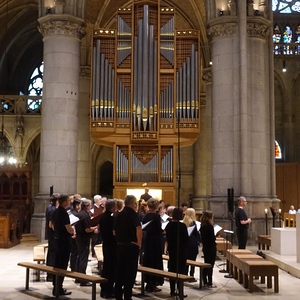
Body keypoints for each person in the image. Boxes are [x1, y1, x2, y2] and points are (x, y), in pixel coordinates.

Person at [113, 195, 142, 300]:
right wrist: (139, 242)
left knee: (120, 271)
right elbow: (138, 228)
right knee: (130, 273)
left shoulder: (118, 215)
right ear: (133, 203)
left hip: (120, 246)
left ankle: (118, 296)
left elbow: (114, 231)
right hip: (131, 246)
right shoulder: (133, 214)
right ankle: (127, 297)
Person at [51, 194, 74, 296]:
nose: (69, 202)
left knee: (57, 263)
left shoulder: (55, 211)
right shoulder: (63, 212)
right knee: (62, 265)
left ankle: (56, 286)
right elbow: (68, 228)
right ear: (64, 202)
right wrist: (72, 231)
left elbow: (52, 225)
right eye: (68, 201)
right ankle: (58, 288)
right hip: (64, 241)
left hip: (57, 239)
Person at [165, 207, 188, 297]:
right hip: (181, 250)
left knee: (172, 269)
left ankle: (172, 290)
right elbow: (186, 239)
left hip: (172, 249)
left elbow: (167, 237)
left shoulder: (169, 225)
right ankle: (180, 290)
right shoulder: (182, 226)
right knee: (181, 270)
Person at [142, 198, 164, 293]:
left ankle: (148, 282)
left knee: (148, 261)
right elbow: (158, 229)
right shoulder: (156, 216)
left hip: (148, 240)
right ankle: (153, 283)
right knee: (155, 262)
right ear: (157, 206)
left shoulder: (146, 216)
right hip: (155, 241)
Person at [75, 198, 98, 286]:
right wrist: (95, 227)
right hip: (84, 238)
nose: (91, 206)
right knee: (83, 258)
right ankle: (83, 279)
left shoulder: (79, 213)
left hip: (79, 237)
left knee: (79, 256)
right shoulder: (85, 215)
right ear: (87, 206)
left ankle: (78, 277)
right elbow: (87, 229)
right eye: (90, 205)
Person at [99, 199, 117, 299]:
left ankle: (105, 288)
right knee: (111, 268)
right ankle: (108, 290)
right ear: (111, 207)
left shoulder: (103, 216)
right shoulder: (110, 218)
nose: (116, 208)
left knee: (107, 266)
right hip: (112, 245)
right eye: (115, 206)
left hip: (106, 244)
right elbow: (114, 233)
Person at [200, 210, 217, 288]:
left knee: (206, 263)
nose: (213, 218)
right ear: (209, 217)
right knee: (210, 265)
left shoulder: (202, 226)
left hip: (205, 247)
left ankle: (204, 280)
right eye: (212, 216)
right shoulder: (210, 227)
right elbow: (212, 239)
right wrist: (216, 235)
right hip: (211, 248)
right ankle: (210, 282)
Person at [45, 193, 59, 282]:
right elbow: (51, 224)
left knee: (51, 253)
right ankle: (50, 274)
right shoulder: (52, 209)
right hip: (53, 235)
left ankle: (50, 274)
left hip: (51, 235)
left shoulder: (50, 207)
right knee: (52, 254)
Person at [183, 208, 200, 277]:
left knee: (186, 259)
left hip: (186, 243)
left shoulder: (184, 222)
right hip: (192, 243)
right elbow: (196, 233)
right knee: (193, 260)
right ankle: (191, 274)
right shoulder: (193, 223)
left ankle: (185, 273)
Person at [69, 199, 81, 272]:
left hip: (73, 235)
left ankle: (73, 266)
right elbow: (73, 225)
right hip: (74, 235)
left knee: (74, 252)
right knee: (74, 251)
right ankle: (74, 267)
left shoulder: (72, 212)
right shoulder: (75, 214)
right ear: (76, 206)